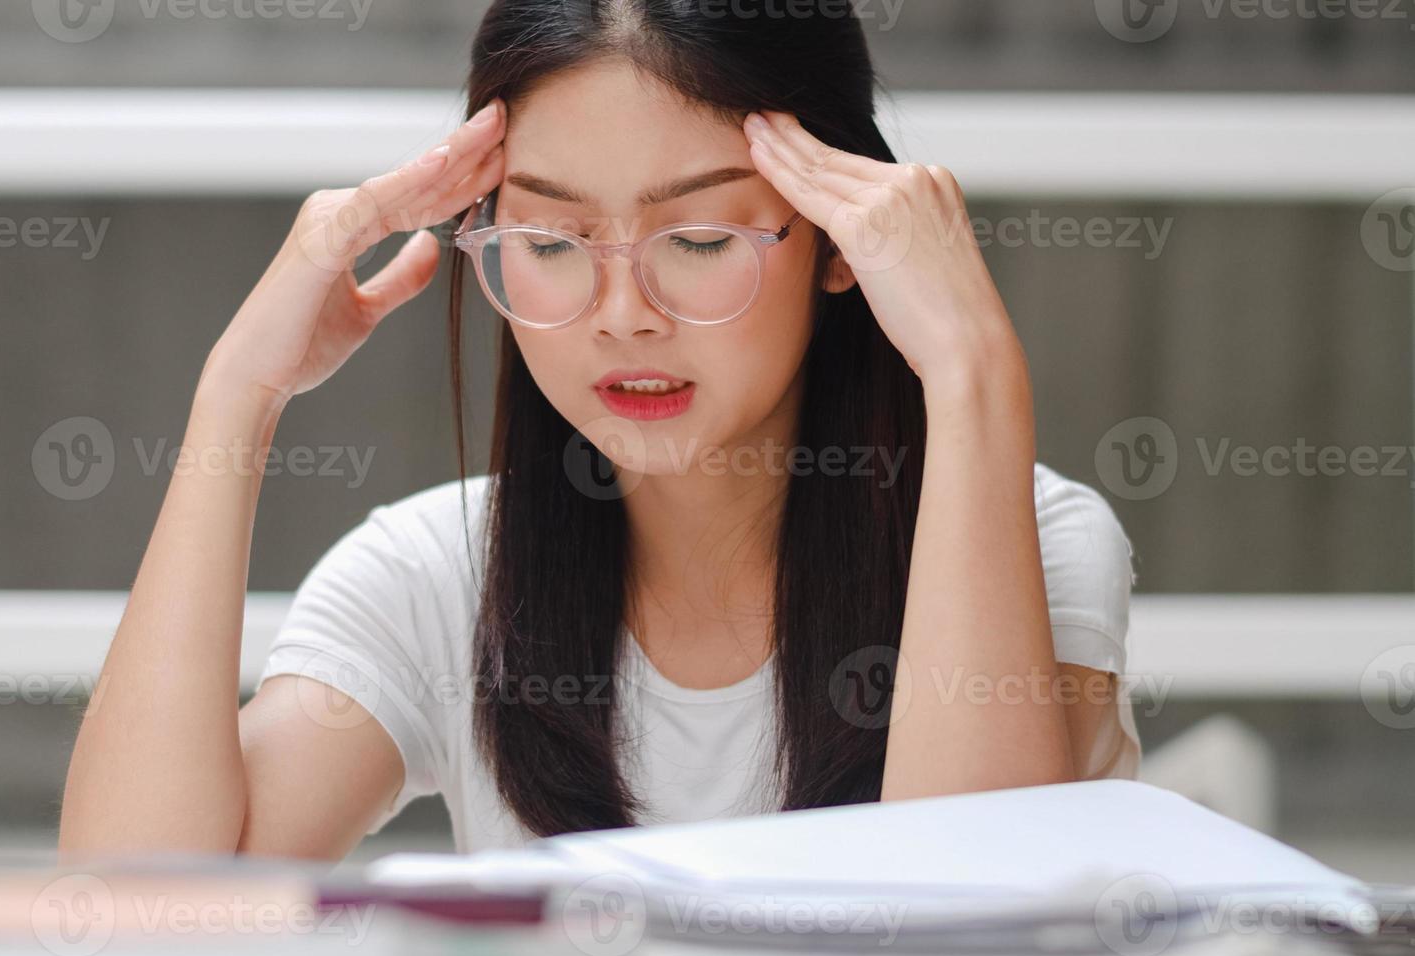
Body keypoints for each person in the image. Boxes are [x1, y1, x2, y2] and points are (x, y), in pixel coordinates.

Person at [59, 0, 1140, 859]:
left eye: (701, 239)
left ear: (840, 237)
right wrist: (236, 396)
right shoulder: (435, 576)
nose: (621, 311)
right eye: (552, 237)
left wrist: (972, 372)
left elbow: (975, 926)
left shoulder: (1031, 541)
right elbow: (139, 914)